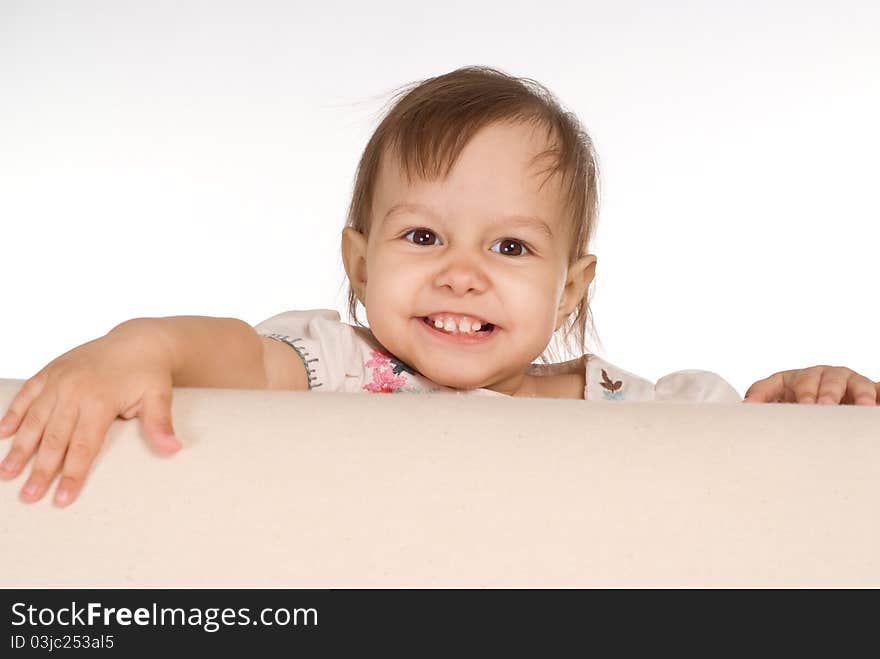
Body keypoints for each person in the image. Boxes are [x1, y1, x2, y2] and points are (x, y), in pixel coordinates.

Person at [1, 66, 876, 508]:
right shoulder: (338, 365)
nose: (463, 271)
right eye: (422, 236)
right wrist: (138, 345)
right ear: (359, 264)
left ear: (571, 290)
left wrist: (801, 401)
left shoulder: (651, 406)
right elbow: (229, 351)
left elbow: (756, 469)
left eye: (510, 246)